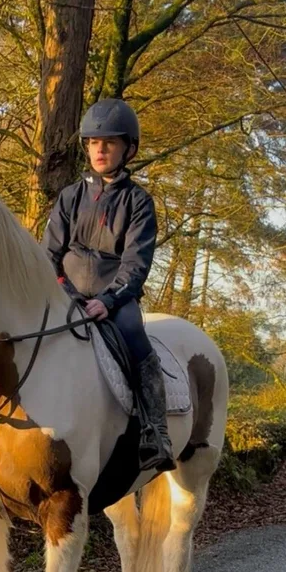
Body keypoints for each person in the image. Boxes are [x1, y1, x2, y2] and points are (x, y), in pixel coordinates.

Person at [43, 98, 175, 474]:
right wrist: (63, 291)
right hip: (65, 293)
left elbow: (136, 263)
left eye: (110, 143)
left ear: (127, 149)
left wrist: (108, 300)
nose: (100, 150)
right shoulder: (69, 197)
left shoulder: (139, 202)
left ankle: (155, 432)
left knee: (136, 339)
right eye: (94, 143)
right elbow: (49, 253)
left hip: (115, 298)